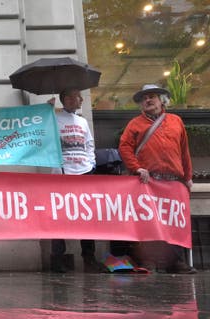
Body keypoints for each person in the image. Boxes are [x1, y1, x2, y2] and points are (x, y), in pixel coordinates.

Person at [118, 84, 195, 274]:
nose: (147, 100)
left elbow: (184, 151)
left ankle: (176, 262)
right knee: (148, 223)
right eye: (144, 98)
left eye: (152, 96)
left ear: (162, 100)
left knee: (174, 222)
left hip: (173, 181)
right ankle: (148, 262)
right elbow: (125, 147)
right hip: (148, 182)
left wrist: (188, 177)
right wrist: (136, 168)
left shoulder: (176, 121)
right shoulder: (134, 124)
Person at [49, 88, 104, 273]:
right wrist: (46, 111)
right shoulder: (54, 118)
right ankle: (57, 258)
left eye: (79, 96)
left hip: (84, 172)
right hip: (63, 174)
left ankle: (89, 257)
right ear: (64, 99)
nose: (78, 99)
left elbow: (89, 143)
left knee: (86, 218)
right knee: (59, 217)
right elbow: (42, 132)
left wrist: (91, 163)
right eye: (73, 96)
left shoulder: (82, 121)